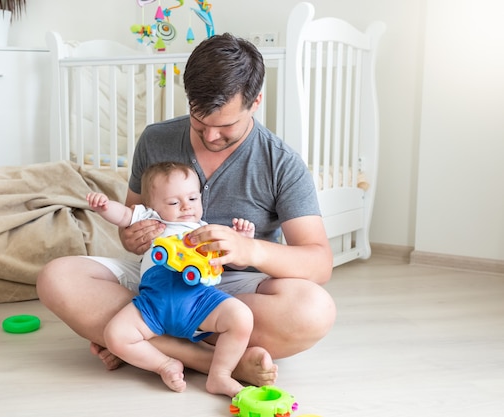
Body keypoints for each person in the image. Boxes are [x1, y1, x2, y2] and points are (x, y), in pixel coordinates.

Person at [37, 33, 336, 390]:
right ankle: (215, 362)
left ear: (255, 102)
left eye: (225, 127)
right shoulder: (156, 139)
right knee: (56, 277)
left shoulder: (280, 162)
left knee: (315, 310)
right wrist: (133, 236)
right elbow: (133, 224)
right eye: (199, 122)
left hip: (231, 290)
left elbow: (319, 262)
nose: (210, 137)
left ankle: (139, 343)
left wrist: (249, 250)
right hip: (159, 278)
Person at [86, 161, 255, 396]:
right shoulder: (153, 219)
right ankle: (164, 364)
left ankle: (220, 376)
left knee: (242, 316)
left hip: (199, 300)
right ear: (152, 206)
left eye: (193, 199)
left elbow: (237, 261)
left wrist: (242, 240)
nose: (186, 206)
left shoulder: (206, 229)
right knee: (115, 335)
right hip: (153, 304)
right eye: (174, 202)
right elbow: (123, 215)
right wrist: (104, 206)